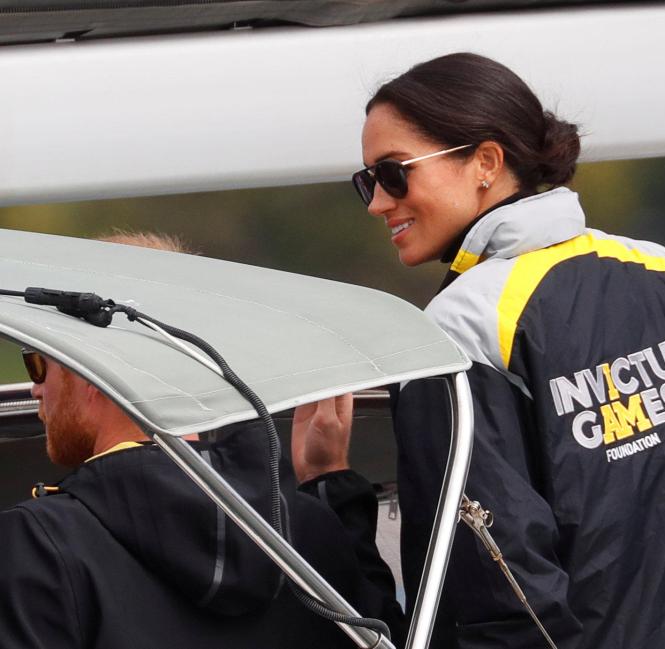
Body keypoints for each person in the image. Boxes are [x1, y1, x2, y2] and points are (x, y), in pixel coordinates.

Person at [313, 52, 665, 648]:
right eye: (366, 182)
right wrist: (652, 449)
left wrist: (327, 488)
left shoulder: (458, 326)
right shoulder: (652, 267)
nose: (377, 201)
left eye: (394, 173)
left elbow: (502, 590)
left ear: (485, 162)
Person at [0, 232, 404, 648]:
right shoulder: (308, 531)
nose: (35, 389)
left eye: (38, 362)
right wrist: (328, 484)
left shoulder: (38, 542)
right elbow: (390, 635)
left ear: (95, 364)